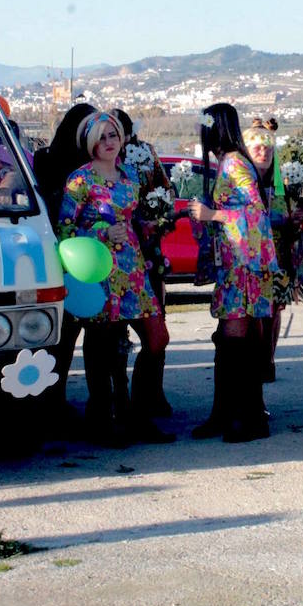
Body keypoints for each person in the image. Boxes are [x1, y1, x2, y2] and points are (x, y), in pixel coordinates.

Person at [58, 111, 173, 446]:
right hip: (100, 271)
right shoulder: (80, 180)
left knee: (157, 338)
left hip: (133, 270)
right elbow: (64, 229)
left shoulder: (129, 177)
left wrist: (152, 224)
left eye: (113, 135)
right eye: (102, 137)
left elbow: (135, 218)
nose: (109, 142)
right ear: (90, 142)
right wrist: (101, 231)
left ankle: (138, 415)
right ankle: (102, 421)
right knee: (102, 348)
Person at [187, 103, 278, 443]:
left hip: (246, 264)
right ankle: (228, 413)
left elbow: (255, 214)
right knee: (230, 338)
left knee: (236, 338)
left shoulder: (235, 163)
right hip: (236, 261)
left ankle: (248, 417)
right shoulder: (230, 162)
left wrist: (212, 215)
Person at [35, 102, 99, 428]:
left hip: (86, 256)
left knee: (80, 333)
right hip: (61, 254)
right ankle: (54, 398)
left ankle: (81, 400)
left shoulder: (95, 166)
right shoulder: (48, 161)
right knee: (63, 334)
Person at [114, 108, 176, 420]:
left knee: (156, 331)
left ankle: (152, 394)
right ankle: (119, 400)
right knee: (114, 338)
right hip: (113, 264)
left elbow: (165, 192)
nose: (115, 141)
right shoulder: (96, 171)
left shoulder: (145, 154)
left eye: (118, 133)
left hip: (148, 257)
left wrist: (158, 221)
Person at [244, 117, 298, 387]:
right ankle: (257, 359)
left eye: (268, 148)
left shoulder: (280, 186)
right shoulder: (243, 184)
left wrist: (293, 222)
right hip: (253, 260)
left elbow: (283, 220)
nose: (264, 153)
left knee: (276, 309)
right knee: (257, 313)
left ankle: (269, 358)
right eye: (257, 149)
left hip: (277, 256)